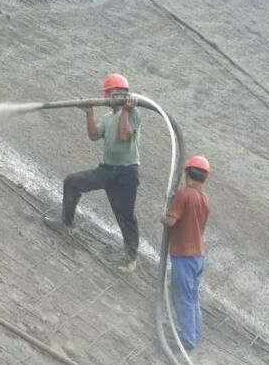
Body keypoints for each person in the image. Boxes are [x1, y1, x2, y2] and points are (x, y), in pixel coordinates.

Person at [44, 73, 142, 272]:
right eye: (111, 93)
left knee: (125, 215)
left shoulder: (134, 114)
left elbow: (125, 136)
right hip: (106, 170)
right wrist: (89, 113)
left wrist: (126, 110)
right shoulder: (107, 118)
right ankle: (66, 223)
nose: (111, 96)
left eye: (117, 93)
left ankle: (131, 258)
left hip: (126, 173)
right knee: (72, 182)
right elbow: (94, 136)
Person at [161, 155, 211, 350]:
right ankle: (195, 334)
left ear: (187, 173)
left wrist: (163, 216)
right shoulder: (205, 199)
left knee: (183, 298)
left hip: (184, 256)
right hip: (198, 256)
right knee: (193, 298)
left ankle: (188, 340)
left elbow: (171, 221)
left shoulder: (184, 195)